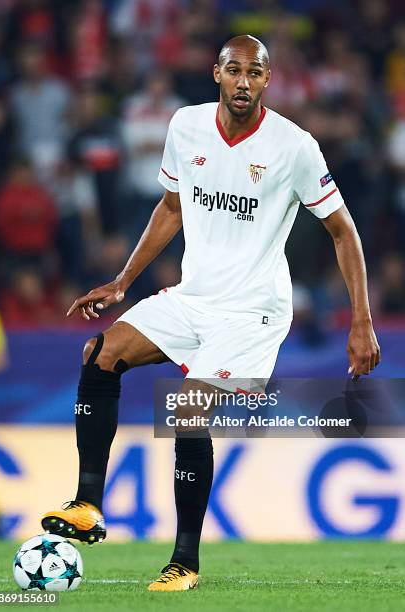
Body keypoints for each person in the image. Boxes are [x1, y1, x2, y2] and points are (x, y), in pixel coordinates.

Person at [41, 35, 380, 591]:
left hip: (254, 312)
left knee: (188, 407)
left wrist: (360, 319)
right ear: (216, 73)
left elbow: (343, 231)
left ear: (268, 81)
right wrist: (123, 281)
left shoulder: (295, 146)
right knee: (99, 355)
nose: (244, 81)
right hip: (194, 297)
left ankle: (185, 562)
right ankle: (87, 504)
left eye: (255, 72)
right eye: (234, 70)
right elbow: (172, 207)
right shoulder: (186, 127)